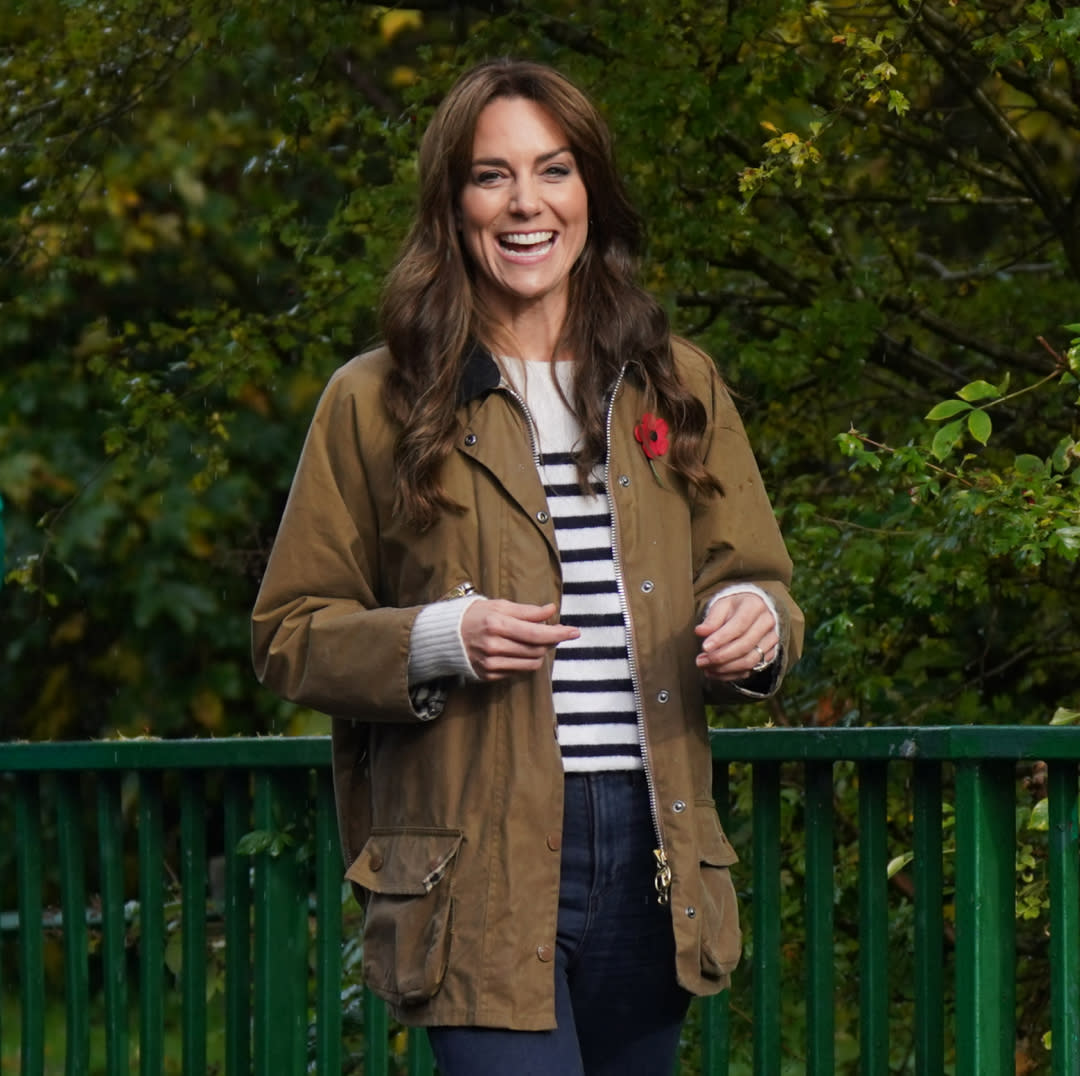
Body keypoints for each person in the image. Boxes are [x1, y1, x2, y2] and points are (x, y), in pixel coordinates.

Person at [251, 58, 803, 1076]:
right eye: (489, 175)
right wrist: (437, 638)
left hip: (654, 846)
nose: (526, 203)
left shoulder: (678, 382)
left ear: (590, 187)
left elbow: (760, 577)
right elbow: (289, 633)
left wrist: (758, 619)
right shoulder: (374, 400)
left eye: (552, 169)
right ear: (450, 203)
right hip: (474, 857)